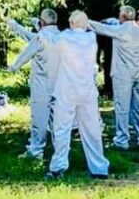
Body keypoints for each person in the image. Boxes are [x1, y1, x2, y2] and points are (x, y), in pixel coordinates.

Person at [47, 10, 110, 179]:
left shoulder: (64, 38)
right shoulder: (91, 39)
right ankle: (99, 167)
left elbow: (50, 41)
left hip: (67, 90)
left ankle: (58, 167)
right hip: (87, 90)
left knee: (61, 128)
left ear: (71, 23)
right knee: (92, 129)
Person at [87, 6, 139, 149]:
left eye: (120, 15)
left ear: (124, 17)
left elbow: (100, 28)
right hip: (137, 72)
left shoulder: (120, 31)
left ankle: (122, 139)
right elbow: (112, 24)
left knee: (122, 108)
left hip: (122, 74)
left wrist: (85, 20)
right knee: (138, 107)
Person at [6, 8, 61, 160]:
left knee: (39, 119)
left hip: (41, 84)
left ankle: (36, 150)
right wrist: (13, 25)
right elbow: (28, 36)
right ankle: (60, 148)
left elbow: (26, 53)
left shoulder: (40, 37)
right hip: (58, 84)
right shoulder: (61, 36)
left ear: (42, 22)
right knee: (57, 119)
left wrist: (13, 67)